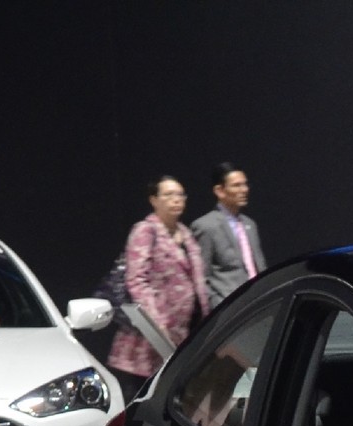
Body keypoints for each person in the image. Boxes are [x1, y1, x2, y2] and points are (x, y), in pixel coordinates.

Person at [107, 175, 208, 398]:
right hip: (150, 338)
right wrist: (155, 323)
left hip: (182, 334)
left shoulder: (187, 234)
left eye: (180, 194)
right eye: (168, 195)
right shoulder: (145, 231)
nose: (176, 200)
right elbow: (136, 279)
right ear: (154, 199)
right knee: (143, 398)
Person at [188, 163, 265, 306]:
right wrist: (218, 306)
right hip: (229, 308)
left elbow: (258, 265)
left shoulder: (250, 225)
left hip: (257, 304)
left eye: (245, 184)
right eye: (236, 185)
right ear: (219, 191)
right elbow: (200, 278)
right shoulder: (206, 226)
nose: (244, 190)